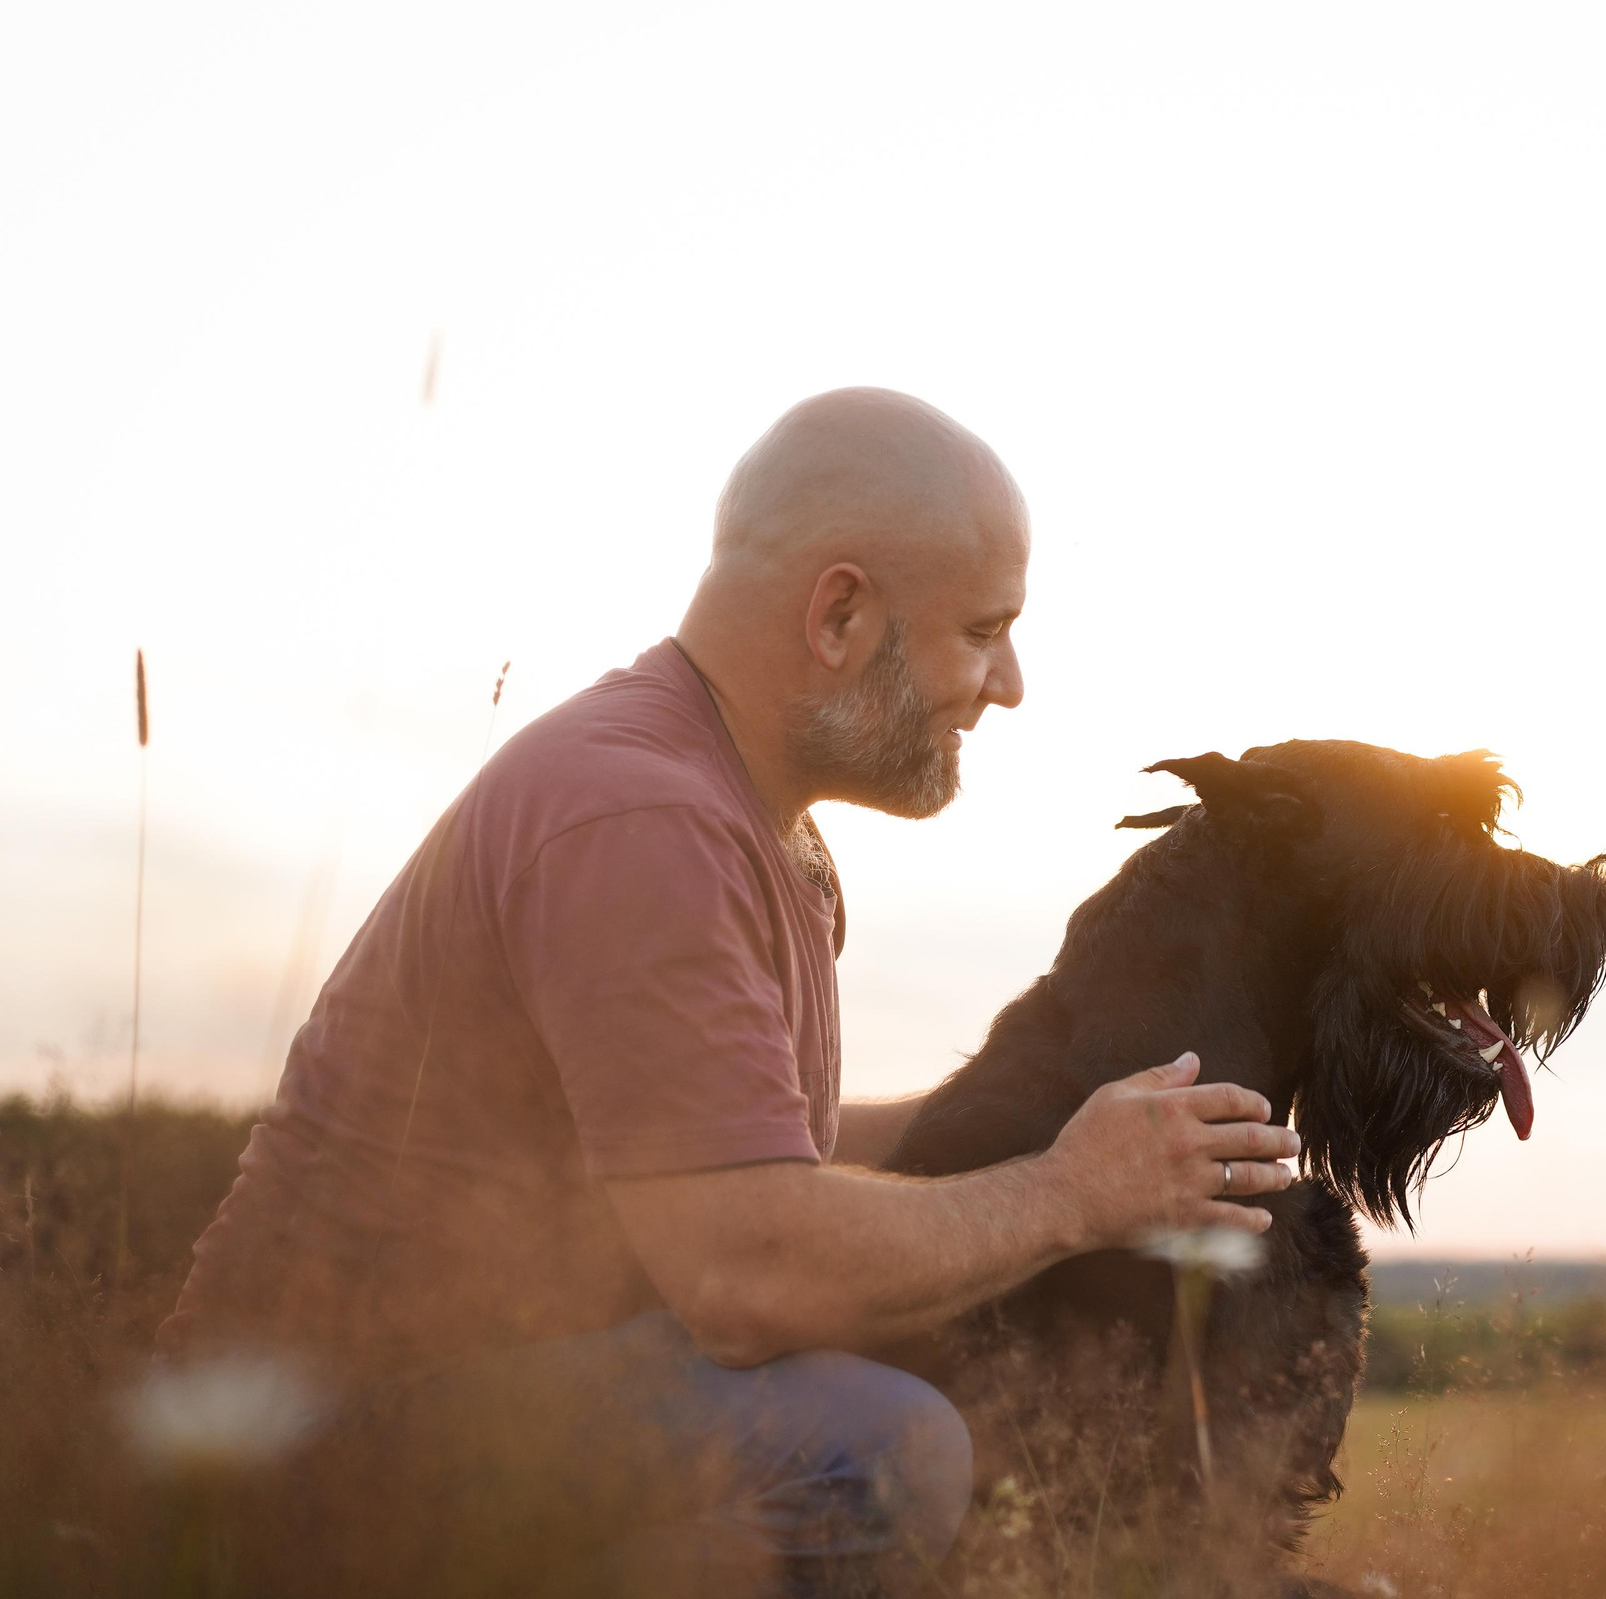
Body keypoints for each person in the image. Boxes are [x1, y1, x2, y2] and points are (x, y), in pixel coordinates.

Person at [161, 389, 1298, 1597]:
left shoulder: (756, 826)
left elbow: (738, 1160)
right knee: (877, 1446)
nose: (1008, 682)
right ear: (841, 614)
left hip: (486, 1398)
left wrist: (1023, 1122)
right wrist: (1067, 1193)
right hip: (301, 1456)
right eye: (982, 630)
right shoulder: (640, 820)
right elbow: (743, 1278)